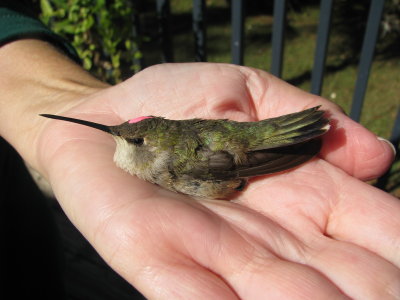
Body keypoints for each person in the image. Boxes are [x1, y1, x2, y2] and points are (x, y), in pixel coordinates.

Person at [1, 5, 399, 300]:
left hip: (234, 149)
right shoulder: (161, 148)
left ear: (151, 147)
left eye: (135, 140)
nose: (123, 140)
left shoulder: (171, 167)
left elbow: (229, 173)